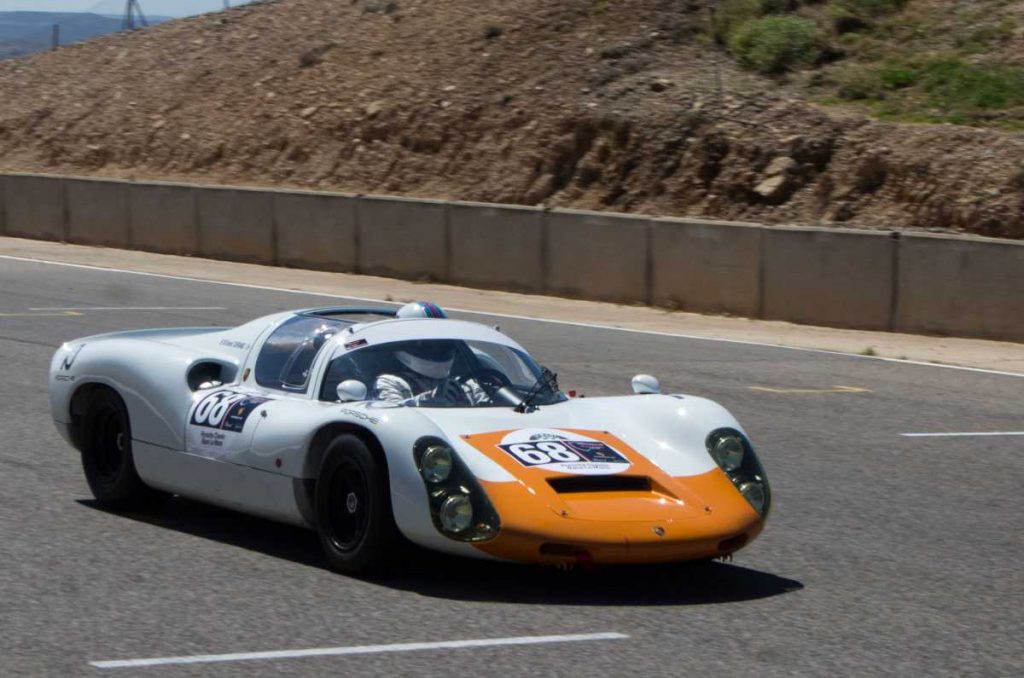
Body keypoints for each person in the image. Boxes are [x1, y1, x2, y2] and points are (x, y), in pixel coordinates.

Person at [372, 340, 489, 406]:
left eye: (443, 345)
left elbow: (493, 411)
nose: (438, 349)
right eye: (429, 344)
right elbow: (391, 417)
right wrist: (429, 400)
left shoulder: (467, 385)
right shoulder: (389, 382)